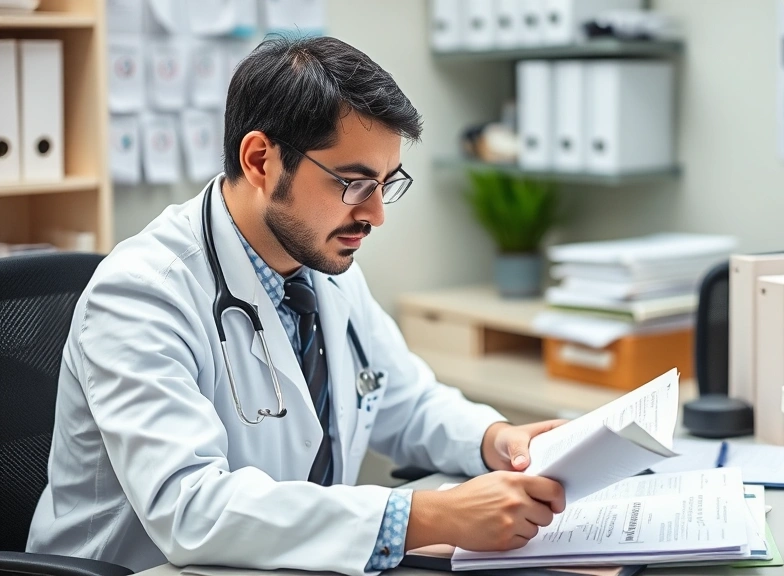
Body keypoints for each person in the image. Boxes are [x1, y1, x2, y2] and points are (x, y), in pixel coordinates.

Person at [26, 36, 566, 575]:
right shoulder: (141, 293)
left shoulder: (323, 265)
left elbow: (405, 402)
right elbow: (190, 507)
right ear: (260, 160)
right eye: (354, 183)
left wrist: (497, 440)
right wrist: (423, 517)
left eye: (386, 183)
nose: (375, 214)